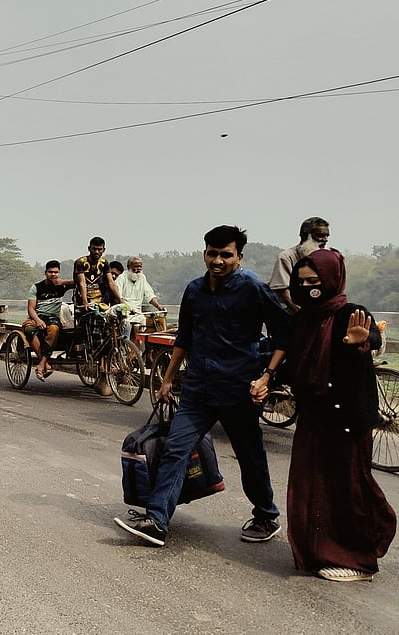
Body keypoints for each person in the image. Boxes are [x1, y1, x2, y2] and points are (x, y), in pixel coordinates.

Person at [115, 225, 291, 547]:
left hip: (238, 389)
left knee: (249, 455)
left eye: (226, 254)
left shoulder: (253, 288)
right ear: (204, 253)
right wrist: (167, 378)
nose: (218, 261)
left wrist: (267, 376)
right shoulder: (194, 290)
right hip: (197, 388)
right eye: (213, 253)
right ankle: (157, 520)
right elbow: (184, 337)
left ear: (239, 256)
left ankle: (266, 514)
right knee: (175, 450)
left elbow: (284, 334)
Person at [285, 249, 396, 582]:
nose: (307, 288)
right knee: (309, 486)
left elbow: (371, 336)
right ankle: (317, 550)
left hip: (346, 417)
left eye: (314, 281)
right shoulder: (304, 317)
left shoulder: (351, 312)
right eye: (301, 282)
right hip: (313, 416)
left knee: (347, 488)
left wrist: (360, 342)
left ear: (332, 279)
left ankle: (356, 558)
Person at [74, 238, 122, 395]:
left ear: (104, 250)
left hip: (101, 302)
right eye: (94, 249)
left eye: (99, 249)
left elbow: (111, 283)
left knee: (116, 321)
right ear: (89, 248)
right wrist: (85, 302)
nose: (96, 252)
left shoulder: (104, 263)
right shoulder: (81, 262)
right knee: (96, 320)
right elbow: (82, 283)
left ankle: (113, 354)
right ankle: (96, 352)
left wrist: (121, 302)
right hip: (84, 302)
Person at [270, 216, 330, 314]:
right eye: (320, 235)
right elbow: (283, 290)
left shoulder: (327, 259)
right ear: (304, 236)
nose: (325, 240)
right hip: (290, 315)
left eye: (327, 236)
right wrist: (300, 313)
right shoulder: (287, 257)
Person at [24, 260, 70, 381]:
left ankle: (41, 364)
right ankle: (45, 363)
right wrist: (38, 320)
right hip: (37, 316)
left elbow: (79, 282)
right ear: (45, 273)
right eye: (50, 272)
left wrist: (63, 282)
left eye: (56, 272)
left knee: (54, 329)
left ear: (59, 273)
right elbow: (31, 308)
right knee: (28, 329)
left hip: (53, 318)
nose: (53, 275)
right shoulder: (37, 287)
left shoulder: (62, 286)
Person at [115, 256, 167, 337]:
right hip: (125, 312)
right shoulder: (122, 278)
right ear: (128, 267)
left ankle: (138, 349)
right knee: (126, 328)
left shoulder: (142, 277)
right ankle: (125, 347)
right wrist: (127, 307)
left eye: (140, 267)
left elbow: (149, 295)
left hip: (137, 313)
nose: (138, 269)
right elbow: (119, 296)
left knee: (141, 330)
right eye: (135, 266)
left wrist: (159, 307)